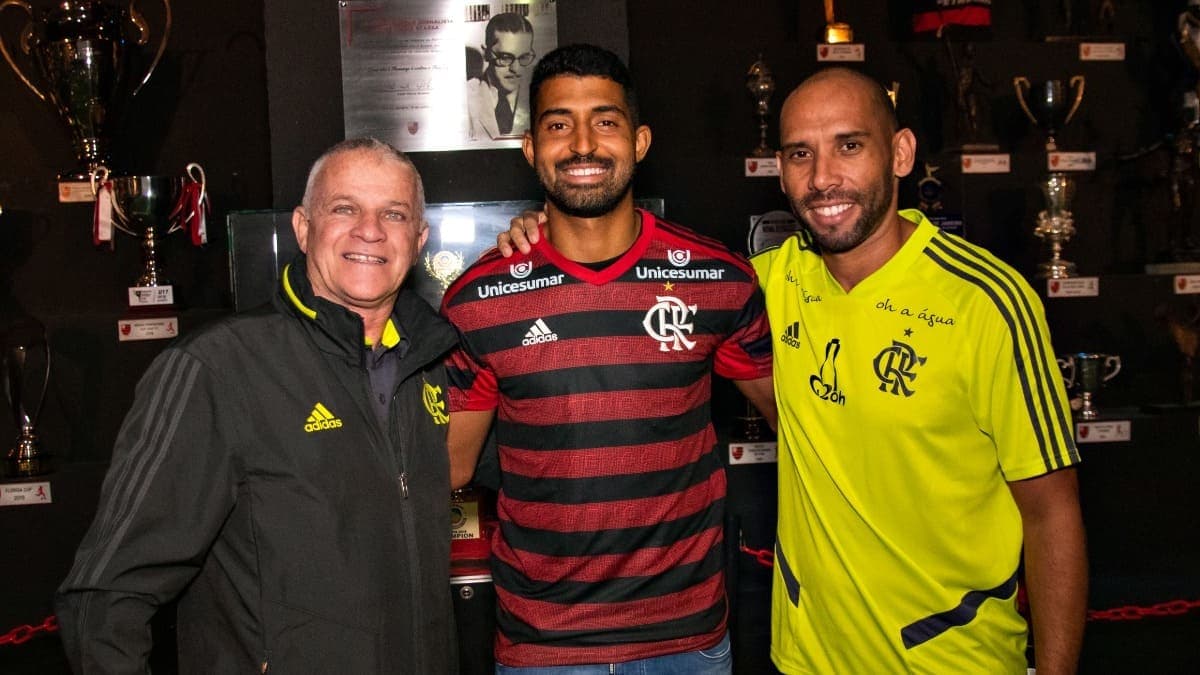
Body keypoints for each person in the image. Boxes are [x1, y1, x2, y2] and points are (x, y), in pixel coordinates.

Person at [499, 67, 1088, 674]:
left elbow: (1052, 513)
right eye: (801, 154)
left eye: (850, 146)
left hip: (952, 658)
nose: (824, 177)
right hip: (806, 657)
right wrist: (546, 234)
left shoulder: (986, 301)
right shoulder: (762, 284)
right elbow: (635, 280)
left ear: (901, 153)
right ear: (780, 172)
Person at [55, 138, 459, 673]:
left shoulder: (431, 361)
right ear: (302, 227)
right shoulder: (218, 367)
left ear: (419, 238)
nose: (370, 229)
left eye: (394, 213)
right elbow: (104, 596)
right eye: (344, 208)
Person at [442, 44, 776, 673]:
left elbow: (804, 424)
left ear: (640, 140)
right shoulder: (478, 299)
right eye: (558, 124)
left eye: (606, 120)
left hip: (688, 644)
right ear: (531, 149)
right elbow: (448, 468)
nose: (583, 144)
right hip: (545, 648)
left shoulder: (719, 279)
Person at [467, 12, 535, 140]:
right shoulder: (465, 97)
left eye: (524, 57)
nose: (516, 69)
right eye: (505, 57)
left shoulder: (538, 94)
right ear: (485, 53)